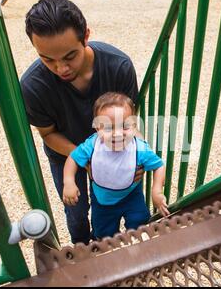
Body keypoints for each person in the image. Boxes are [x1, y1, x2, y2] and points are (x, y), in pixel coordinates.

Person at [20, 0, 144, 245]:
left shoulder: (118, 66)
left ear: (86, 35)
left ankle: (113, 243)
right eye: (47, 59)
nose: (61, 68)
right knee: (76, 212)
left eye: (69, 56)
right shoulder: (33, 86)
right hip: (66, 154)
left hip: (114, 148)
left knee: (117, 200)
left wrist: (138, 153)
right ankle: (82, 251)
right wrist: (84, 156)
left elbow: (130, 121)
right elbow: (48, 134)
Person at [63, 92, 170, 239]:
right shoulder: (93, 145)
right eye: (108, 128)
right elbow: (73, 158)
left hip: (132, 196)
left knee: (141, 226)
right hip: (102, 200)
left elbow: (159, 165)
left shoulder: (139, 148)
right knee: (104, 234)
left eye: (125, 127)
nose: (117, 134)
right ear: (97, 128)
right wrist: (68, 182)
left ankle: (138, 251)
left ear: (134, 126)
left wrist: (156, 190)